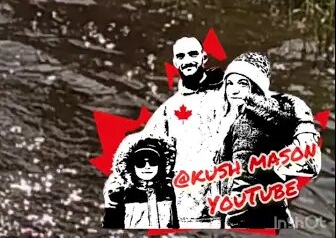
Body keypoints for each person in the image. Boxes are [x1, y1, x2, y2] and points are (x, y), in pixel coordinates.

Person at [110, 36, 225, 227]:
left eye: (193, 54)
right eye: (181, 56)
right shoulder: (169, 110)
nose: (187, 60)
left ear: (204, 57)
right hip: (189, 204)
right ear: (175, 63)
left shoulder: (228, 95)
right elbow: (142, 148)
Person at [209, 52, 320, 229]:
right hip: (253, 215)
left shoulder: (269, 116)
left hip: (257, 216)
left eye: (242, 83)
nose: (234, 89)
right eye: (229, 83)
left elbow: (243, 182)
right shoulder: (237, 123)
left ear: (256, 86)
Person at [103, 132, 180, 229]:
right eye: (140, 162)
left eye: (153, 161)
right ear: (131, 166)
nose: (147, 167)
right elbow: (111, 228)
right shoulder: (120, 194)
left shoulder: (168, 191)